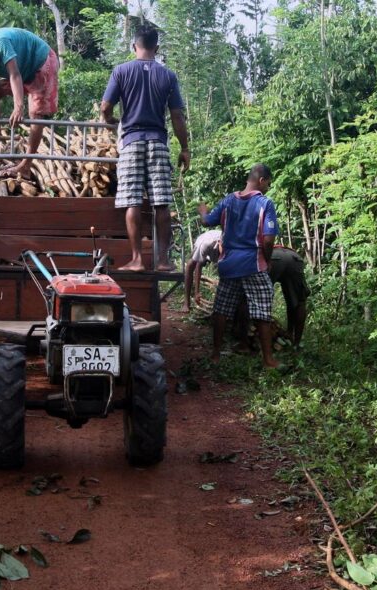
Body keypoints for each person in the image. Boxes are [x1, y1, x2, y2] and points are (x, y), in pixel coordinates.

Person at [100, 25, 189, 272]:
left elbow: (106, 106)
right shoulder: (168, 76)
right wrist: (185, 148)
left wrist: (110, 121)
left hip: (131, 141)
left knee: (133, 202)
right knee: (161, 202)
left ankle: (137, 259)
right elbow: (177, 116)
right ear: (156, 48)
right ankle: (162, 261)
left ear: (134, 46)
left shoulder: (121, 71)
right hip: (158, 142)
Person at [199, 164, 280, 369]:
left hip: (228, 266)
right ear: (261, 180)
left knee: (221, 310)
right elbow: (268, 240)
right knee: (262, 312)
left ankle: (216, 355)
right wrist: (267, 260)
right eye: (268, 183)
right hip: (253, 264)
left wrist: (202, 211)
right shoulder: (265, 203)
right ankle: (268, 359)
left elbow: (207, 222)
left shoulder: (228, 201)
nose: (268, 187)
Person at [0, 28, 59, 179]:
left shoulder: (1, 42)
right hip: (20, 72)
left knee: (36, 113)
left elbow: (14, 75)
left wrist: (18, 107)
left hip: (40, 63)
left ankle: (25, 166)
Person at [184, 228, 222, 312]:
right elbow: (199, 265)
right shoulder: (205, 244)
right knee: (191, 265)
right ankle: (186, 302)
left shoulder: (230, 243)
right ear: (219, 243)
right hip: (204, 240)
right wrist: (197, 292)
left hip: (215, 242)